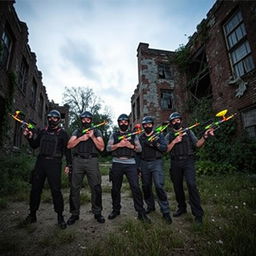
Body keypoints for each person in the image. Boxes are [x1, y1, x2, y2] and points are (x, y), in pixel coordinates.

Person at [23, 110, 71, 229]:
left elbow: (67, 151)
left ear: (59, 120)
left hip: (54, 163)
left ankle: (60, 217)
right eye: (50, 117)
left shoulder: (63, 134)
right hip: (41, 162)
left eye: (55, 118)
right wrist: (29, 137)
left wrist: (69, 165)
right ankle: (32, 214)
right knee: (35, 189)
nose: (52, 119)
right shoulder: (43, 131)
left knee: (56, 191)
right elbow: (34, 145)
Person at [165, 112, 214, 224]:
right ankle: (181, 208)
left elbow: (197, 144)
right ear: (171, 123)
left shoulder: (188, 131)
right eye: (173, 121)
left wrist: (205, 137)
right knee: (177, 187)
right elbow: (165, 150)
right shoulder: (169, 135)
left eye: (178, 120)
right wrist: (174, 141)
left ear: (181, 120)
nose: (176, 122)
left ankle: (198, 214)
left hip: (188, 161)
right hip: (175, 162)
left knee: (191, 185)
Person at [106, 114, 150, 223]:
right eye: (121, 122)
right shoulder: (114, 135)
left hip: (131, 164)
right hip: (117, 163)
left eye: (125, 121)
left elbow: (139, 149)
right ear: (118, 123)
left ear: (128, 123)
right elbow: (108, 148)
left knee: (136, 188)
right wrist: (119, 145)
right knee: (115, 189)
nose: (123, 123)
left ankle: (141, 212)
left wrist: (131, 146)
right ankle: (116, 210)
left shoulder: (133, 135)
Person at [66, 111, 105, 224]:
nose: (86, 121)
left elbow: (101, 148)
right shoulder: (77, 131)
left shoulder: (97, 131)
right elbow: (69, 145)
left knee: (96, 187)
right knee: (74, 188)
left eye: (88, 119)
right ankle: (74, 214)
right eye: (84, 119)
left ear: (91, 120)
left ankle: (97, 212)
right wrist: (80, 139)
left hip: (92, 160)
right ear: (81, 120)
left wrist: (92, 137)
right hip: (77, 161)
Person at [139, 116, 172, 224]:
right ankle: (150, 206)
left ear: (152, 125)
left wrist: (155, 144)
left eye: (149, 124)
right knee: (146, 187)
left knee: (159, 186)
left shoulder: (159, 135)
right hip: (144, 163)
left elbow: (165, 148)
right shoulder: (141, 137)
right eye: (145, 125)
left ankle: (165, 211)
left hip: (156, 162)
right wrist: (138, 167)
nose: (147, 126)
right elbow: (137, 153)